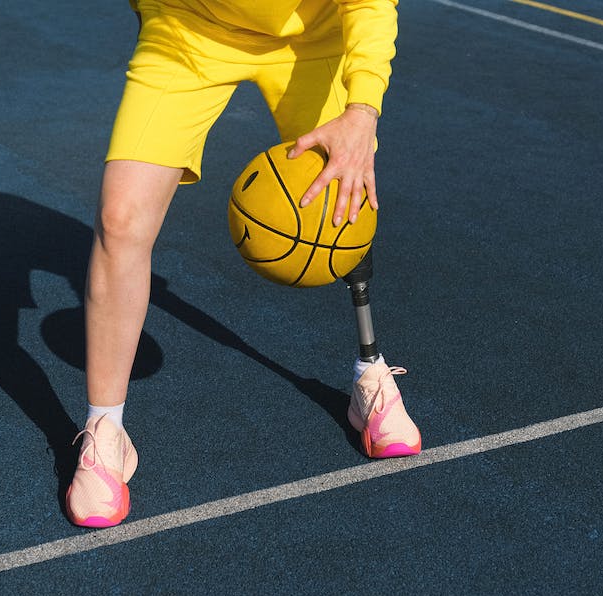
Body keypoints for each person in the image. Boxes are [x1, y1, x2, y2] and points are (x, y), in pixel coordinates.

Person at [65, 0, 420, 528]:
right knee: (120, 219)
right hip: (190, 32)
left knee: (344, 195)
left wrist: (363, 111)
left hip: (311, 36)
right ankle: (105, 430)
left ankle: (371, 373)